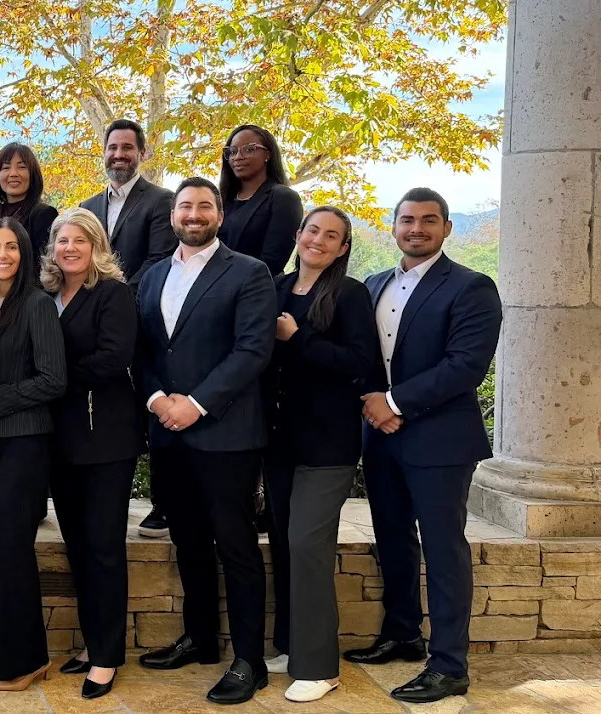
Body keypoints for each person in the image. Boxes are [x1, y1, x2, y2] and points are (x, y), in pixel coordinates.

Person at [342, 188, 502, 704]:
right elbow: (363, 356)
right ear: (393, 227)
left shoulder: (472, 287)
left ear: (446, 228)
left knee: (443, 547)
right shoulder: (373, 284)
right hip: (380, 436)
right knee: (392, 539)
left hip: (440, 440)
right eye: (407, 220)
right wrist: (374, 403)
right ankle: (402, 634)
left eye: (429, 220)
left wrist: (393, 402)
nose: (417, 229)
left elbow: (465, 366)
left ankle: (450, 664)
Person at [134, 178, 275, 706]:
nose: (193, 214)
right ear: (173, 215)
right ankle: (199, 639)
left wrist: (194, 404)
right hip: (168, 434)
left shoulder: (249, 272)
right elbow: (141, 350)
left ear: (219, 215)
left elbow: (252, 350)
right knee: (187, 540)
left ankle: (250, 660)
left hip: (226, 434)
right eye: (185, 206)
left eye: (204, 206)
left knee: (236, 546)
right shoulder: (152, 276)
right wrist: (157, 400)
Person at [260, 207, 384, 703]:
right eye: (313, 230)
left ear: (343, 248)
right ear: (298, 234)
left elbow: (359, 363)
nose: (319, 240)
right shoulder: (274, 287)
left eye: (332, 236)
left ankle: (319, 666)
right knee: (285, 545)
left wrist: (298, 338)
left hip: (327, 442)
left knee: (308, 545)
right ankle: (292, 645)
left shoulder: (349, 295)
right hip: (278, 439)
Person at [42, 208, 139, 701]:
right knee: (78, 548)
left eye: (80, 240)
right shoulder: (47, 296)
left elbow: (113, 358)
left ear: (97, 246)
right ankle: (92, 641)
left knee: (103, 548)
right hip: (61, 441)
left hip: (106, 440)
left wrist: (49, 377)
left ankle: (106, 656)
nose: (70, 248)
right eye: (63, 240)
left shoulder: (113, 293)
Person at [0, 218, 66, 691]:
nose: (2, 255)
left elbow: (54, 380)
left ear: (25, 253)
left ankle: (27, 661)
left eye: (11, 247)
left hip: (25, 442)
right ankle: (12, 657)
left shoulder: (37, 304)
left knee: (9, 549)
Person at [76, 118, 176, 538]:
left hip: (143, 317)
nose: (119, 155)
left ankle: (164, 503)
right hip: (95, 321)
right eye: (112, 148)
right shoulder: (88, 206)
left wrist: (114, 301)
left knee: (151, 401)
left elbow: (157, 259)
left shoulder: (161, 201)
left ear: (142, 153)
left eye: (127, 148)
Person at [217, 125, 305, 276]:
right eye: (232, 151)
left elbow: (272, 263)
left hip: (253, 286)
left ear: (267, 155)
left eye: (249, 149)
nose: (238, 157)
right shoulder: (222, 200)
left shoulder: (283, 198)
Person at [0, 143, 59, 259]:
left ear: (32, 175)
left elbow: (47, 263)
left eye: (22, 167)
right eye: (6, 168)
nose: (13, 174)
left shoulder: (43, 214)